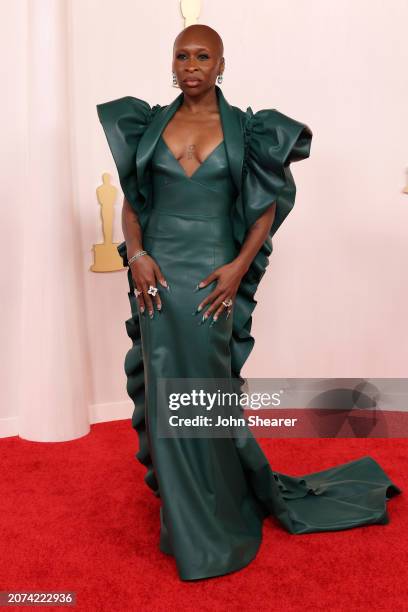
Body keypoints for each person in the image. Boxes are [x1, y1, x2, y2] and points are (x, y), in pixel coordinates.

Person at [96, 24, 401, 581]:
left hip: (214, 275)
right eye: (182, 55)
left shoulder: (246, 130)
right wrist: (135, 254)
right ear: (173, 63)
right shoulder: (147, 126)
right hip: (157, 275)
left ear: (220, 64)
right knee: (165, 387)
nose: (192, 65)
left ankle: (217, 504)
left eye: (203, 56)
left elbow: (263, 208)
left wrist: (238, 269)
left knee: (206, 391)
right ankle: (185, 520)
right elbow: (134, 202)